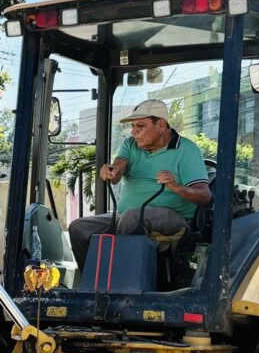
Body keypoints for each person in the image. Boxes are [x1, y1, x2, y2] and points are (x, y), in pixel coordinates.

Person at [68, 99, 211, 267]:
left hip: (174, 217)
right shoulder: (130, 144)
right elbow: (118, 169)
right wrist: (110, 171)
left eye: (141, 126)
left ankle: (121, 285)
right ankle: (93, 287)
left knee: (133, 218)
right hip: (126, 215)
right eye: (133, 126)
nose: (134, 131)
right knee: (79, 227)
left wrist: (175, 187)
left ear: (161, 125)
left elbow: (204, 196)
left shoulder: (187, 150)